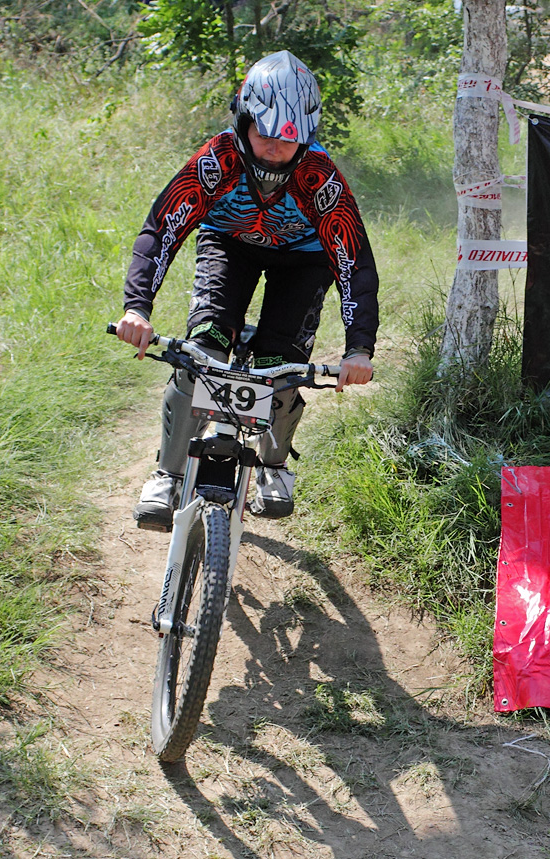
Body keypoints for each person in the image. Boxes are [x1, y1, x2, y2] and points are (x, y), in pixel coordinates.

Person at [116, 50, 379, 531]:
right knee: (204, 347)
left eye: (288, 139)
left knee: (278, 363)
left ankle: (274, 469)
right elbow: (162, 230)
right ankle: (167, 474)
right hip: (229, 244)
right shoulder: (216, 160)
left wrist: (358, 347)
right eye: (264, 134)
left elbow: (353, 262)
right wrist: (137, 308)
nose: (275, 149)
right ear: (243, 120)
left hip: (303, 259)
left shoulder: (320, 179)